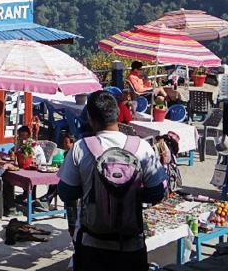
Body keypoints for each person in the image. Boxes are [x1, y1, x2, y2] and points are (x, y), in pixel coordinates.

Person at [58, 90, 167, 271]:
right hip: (131, 245)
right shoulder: (141, 147)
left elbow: (66, 192)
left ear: (91, 119)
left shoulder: (80, 148)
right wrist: (129, 193)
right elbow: (157, 192)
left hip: (91, 244)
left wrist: (92, 190)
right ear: (118, 114)